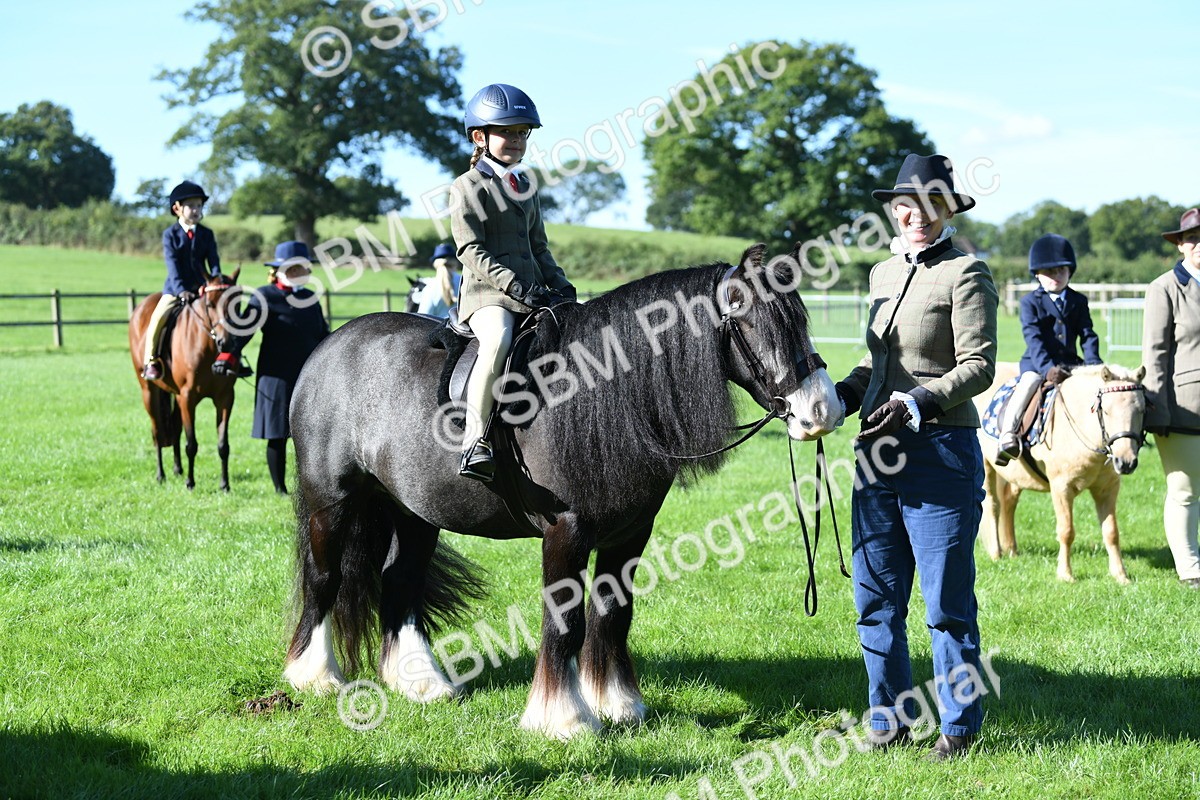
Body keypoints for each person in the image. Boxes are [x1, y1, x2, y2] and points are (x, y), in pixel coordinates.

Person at [834, 154, 998, 760]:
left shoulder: (967, 271)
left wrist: (917, 401)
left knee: (945, 602)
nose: (916, 216)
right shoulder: (880, 274)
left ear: (948, 209)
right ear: (893, 210)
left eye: (930, 206)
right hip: (875, 453)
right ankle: (889, 719)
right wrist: (842, 395)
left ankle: (958, 727)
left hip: (940, 452)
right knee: (874, 599)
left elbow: (977, 365)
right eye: (906, 205)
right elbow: (874, 365)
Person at [449, 83, 576, 482]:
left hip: (533, 293)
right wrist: (516, 287)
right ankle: (474, 441)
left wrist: (562, 285)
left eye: (522, 133)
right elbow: (470, 250)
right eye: (507, 132)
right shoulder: (467, 187)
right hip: (487, 295)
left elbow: (539, 247)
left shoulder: (526, 186)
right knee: (500, 339)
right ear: (480, 137)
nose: (517, 141)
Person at [996, 234, 1102, 464]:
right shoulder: (1029, 303)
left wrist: (1093, 364)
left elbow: (1087, 335)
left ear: (1070, 271)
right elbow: (1033, 339)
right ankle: (1007, 435)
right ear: (1036, 274)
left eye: (1061, 270)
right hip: (1037, 363)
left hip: (1072, 364)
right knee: (1027, 385)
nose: (1056, 276)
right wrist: (1047, 368)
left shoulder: (1078, 301)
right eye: (1049, 271)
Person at [233, 241, 329, 494]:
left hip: (308, 375)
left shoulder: (311, 298)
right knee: (277, 433)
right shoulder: (264, 296)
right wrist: (228, 354)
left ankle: (310, 484)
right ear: (278, 269)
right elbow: (243, 333)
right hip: (275, 375)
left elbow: (323, 334)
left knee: (310, 432)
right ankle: (279, 488)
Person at [1143, 208, 1200, 589]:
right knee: (1185, 490)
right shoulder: (1164, 287)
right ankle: (1190, 566)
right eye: (1193, 238)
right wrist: (1157, 411)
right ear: (1180, 245)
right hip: (1184, 408)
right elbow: (1155, 354)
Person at [142, 181, 250, 380]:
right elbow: (173, 266)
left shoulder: (207, 234)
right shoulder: (170, 235)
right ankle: (152, 360)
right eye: (191, 206)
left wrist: (218, 283)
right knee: (159, 316)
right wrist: (181, 289)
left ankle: (235, 356)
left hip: (205, 289)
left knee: (227, 316)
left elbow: (214, 262)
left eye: (199, 206)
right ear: (177, 208)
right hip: (176, 289)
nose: (196, 210)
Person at [416, 242, 462, 318]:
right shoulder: (464, 283)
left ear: (435, 265)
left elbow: (422, 319)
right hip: (463, 329)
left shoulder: (430, 288)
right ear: (455, 263)